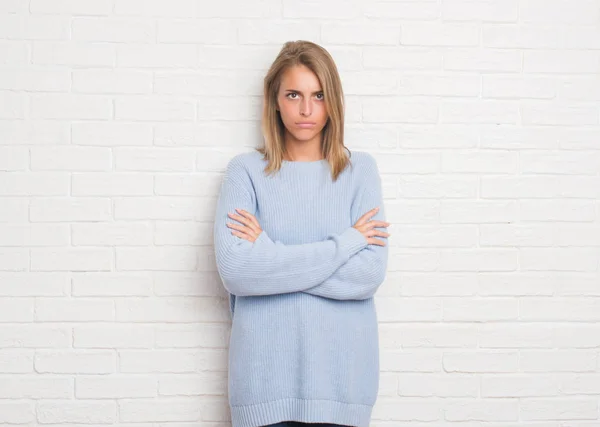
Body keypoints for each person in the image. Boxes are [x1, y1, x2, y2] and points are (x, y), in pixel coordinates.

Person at [213, 40, 391, 427]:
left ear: (333, 101)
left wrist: (270, 255)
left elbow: (367, 276)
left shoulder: (360, 171)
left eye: (318, 95)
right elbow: (238, 272)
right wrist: (346, 244)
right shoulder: (245, 172)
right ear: (275, 100)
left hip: (342, 385)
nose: (307, 110)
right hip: (262, 385)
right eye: (294, 94)